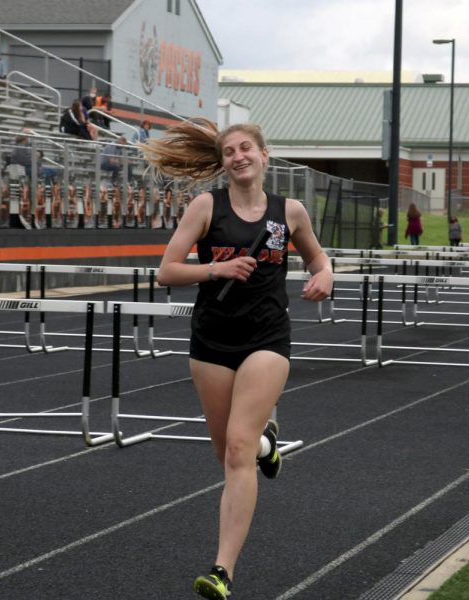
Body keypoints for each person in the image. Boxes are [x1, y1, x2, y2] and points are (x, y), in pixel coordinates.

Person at [143, 118, 333, 600]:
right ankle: (269, 449)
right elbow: (166, 272)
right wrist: (216, 269)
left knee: (236, 448)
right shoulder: (206, 206)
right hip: (212, 342)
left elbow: (317, 259)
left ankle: (222, 571)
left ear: (265, 155)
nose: (239, 156)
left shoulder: (289, 212)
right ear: (223, 162)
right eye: (229, 151)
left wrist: (325, 274)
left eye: (246, 147)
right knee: (231, 453)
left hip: (267, 338)